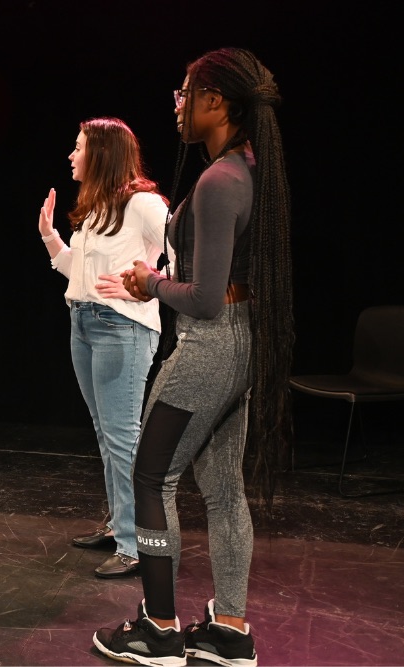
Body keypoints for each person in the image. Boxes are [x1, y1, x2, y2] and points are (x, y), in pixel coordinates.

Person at [92, 48, 293, 667]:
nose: (176, 105)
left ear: (215, 102)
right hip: (240, 345)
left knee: (151, 477)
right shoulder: (245, 168)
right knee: (224, 488)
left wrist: (147, 283)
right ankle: (229, 629)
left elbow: (204, 300)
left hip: (209, 347)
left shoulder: (218, 180)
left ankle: (158, 628)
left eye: (184, 94)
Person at [37, 118, 168, 579]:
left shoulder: (142, 203)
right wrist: (51, 238)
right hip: (85, 320)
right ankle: (120, 526)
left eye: (78, 147)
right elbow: (81, 273)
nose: (71, 156)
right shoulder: (97, 206)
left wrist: (149, 286)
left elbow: (186, 249)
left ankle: (136, 546)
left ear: (103, 153)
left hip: (122, 328)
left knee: (122, 435)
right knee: (105, 431)